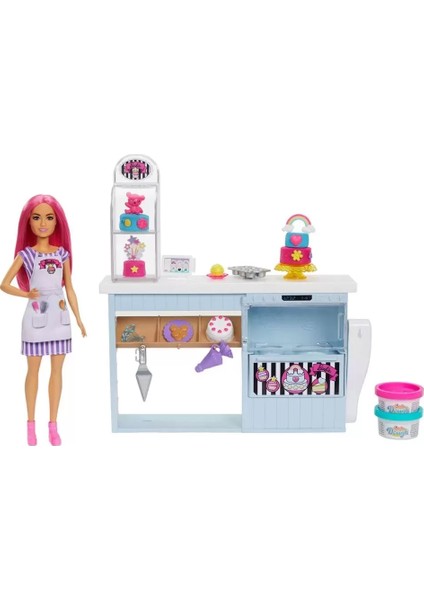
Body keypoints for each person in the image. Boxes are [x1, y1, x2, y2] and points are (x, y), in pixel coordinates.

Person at [0, 194, 86, 445]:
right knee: (33, 371)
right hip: (36, 316)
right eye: (37, 218)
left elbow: (70, 287)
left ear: (57, 222)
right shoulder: (26, 255)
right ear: (28, 222)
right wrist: (26, 294)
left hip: (59, 317)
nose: (43, 223)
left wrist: (79, 319)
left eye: (49, 217)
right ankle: (30, 425)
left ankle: (53, 425)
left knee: (57, 372)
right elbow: (4, 284)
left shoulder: (62, 254)